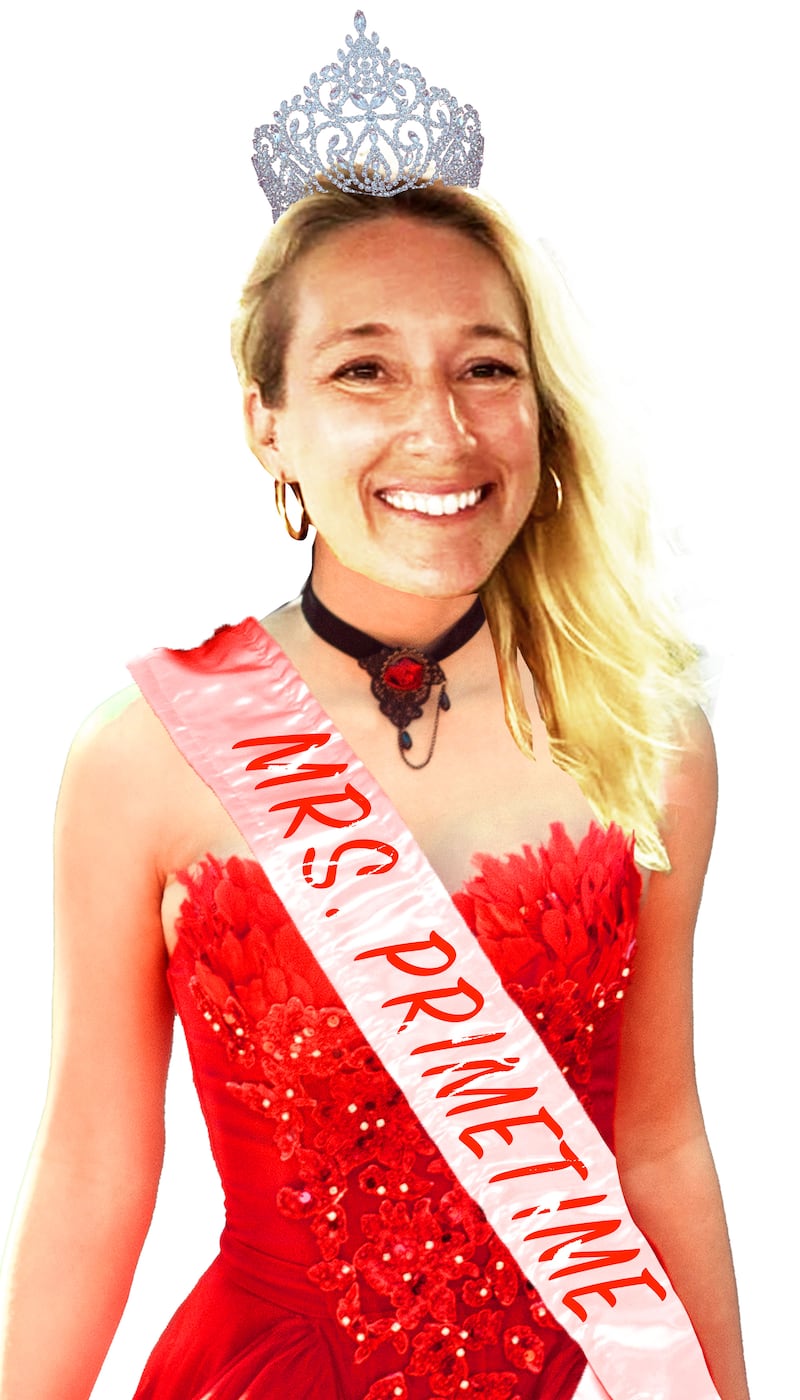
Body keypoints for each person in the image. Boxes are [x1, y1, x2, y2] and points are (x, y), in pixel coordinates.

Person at [0, 13, 749, 1400]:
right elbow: (98, 1164)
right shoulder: (144, 758)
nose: (441, 431)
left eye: (486, 366)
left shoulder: (646, 738)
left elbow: (657, 1143)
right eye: (364, 368)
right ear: (266, 422)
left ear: (543, 409)